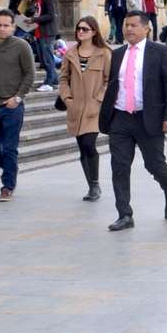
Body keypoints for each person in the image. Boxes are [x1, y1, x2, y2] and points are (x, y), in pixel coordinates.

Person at [101, 13, 167, 231]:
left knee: (154, 164)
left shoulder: (160, 52)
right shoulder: (117, 54)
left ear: (146, 28)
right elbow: (115, 85)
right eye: (126, 25)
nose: (128, 29)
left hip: (149, 118)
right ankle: (124, 214)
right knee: (119, 166)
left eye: (134, 25)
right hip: (121, 118)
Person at [0, 9, 35, 202]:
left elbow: (30, 74)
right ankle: (11, 168)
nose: (2, 29)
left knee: (10, 148)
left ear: (12, 27)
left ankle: (7, 185)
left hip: (12, 106)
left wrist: (17, 98)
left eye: (6, 25)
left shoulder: (22, 46)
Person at [58, 16, 110, 202]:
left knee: (89, 144)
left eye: (85, 29)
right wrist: (67, 98)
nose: (80, 32)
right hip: (75, 106)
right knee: (82, 147)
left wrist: (99, 99)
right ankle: (91, 186)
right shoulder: (70, 53)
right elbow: (63, 78)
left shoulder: (104, 53)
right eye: (79, 28)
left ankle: (95, 184)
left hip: (94, 107)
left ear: (94, 32)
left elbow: (108, 80)